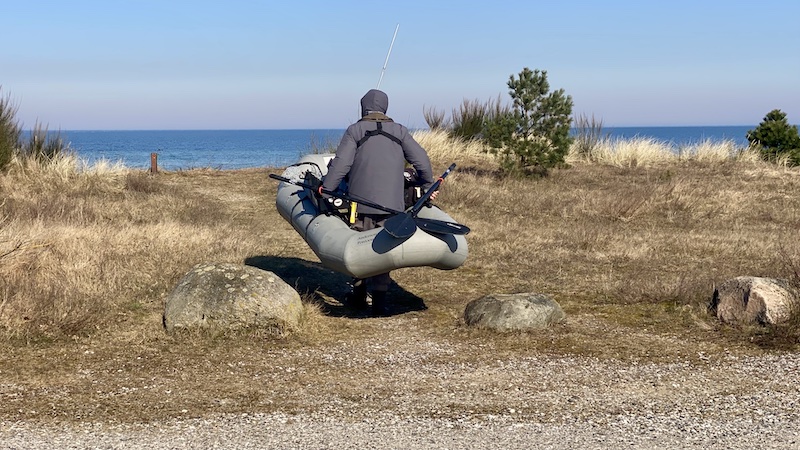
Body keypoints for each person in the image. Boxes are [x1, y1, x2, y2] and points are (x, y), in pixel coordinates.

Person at [321, 89, 436, 317]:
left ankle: (359, 295)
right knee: (383, 248)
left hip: (359, 203)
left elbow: (342, 164)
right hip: (393, 205)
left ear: (363, 107)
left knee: (359, 244)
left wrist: (327, 189)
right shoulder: (400, 131)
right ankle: (380, 302)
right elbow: (421, 161)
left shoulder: (355, 131)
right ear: (385, 108)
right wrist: (427, 184)